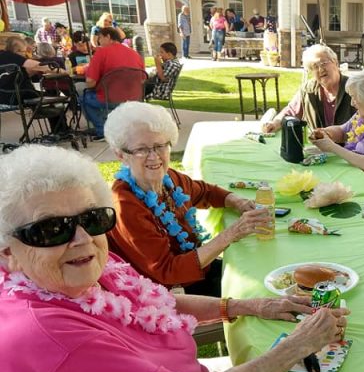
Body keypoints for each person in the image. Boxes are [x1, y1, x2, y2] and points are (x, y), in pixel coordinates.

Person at [0, 144, 349, 372]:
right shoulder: (49, 341)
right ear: (6, 250)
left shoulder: (76, 269)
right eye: (51, 229)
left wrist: (256, 305)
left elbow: (156, 300)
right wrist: (297, 345)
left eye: (92, 219)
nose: (82, 239)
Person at [105, 102, 269, 296]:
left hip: (196, 272)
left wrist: (237, 201)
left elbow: (204, 192)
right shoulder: (125, 205)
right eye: (142, 149)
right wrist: (231, 234)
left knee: (264, 272)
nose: (154, 156)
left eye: (160, 146)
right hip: (165, 295)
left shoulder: (170, 179)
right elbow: (167, 271)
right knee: (256, 293)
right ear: (121, 155)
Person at [263, 44, 356, 133]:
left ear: (335, 62)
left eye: (323, 63)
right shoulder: (308, 90)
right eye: (315, 67)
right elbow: (291, 111)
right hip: (318, 146)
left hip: (349, 146)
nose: (320, 69)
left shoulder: (354, 88)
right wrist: (275, 123)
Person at [80, 27, 145, 139]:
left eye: (100, 38)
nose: (98, 41)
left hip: (109, 98)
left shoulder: (102, 53)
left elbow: (90, 83)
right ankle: (116, 127)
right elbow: (143, 79)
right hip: (135, 97)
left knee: (83, 97)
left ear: (108, 37)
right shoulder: (134, 54)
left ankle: (103, 131)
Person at [0, 36, 55, 103]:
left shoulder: (3, 57)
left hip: (5, 96)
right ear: (16, 51)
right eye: (24, 51)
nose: (25, 54)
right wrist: (60, 70)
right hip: (18, 95)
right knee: (54, 97)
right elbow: (37, 66)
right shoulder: (13, 57)